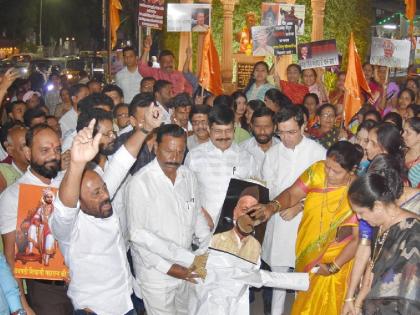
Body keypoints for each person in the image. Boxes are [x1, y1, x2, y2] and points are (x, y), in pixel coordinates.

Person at [50, 116, 151, 315]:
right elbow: (64, 208)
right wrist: (77, 165)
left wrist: (145, 129)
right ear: (79, 200)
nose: (105, 195)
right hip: (95, 310)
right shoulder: (68, 229)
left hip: (125, 302)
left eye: (103, 188)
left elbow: (121, 163)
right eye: (96, 193)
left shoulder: (101, 202)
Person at [251, 141, 364, 315]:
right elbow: (292, 194)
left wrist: (333, 267)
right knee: (304, 303)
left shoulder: (359, 192)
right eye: (327, 167)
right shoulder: (317, 171)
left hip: (339, 260)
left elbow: (358, 239)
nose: (329, 173)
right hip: (308, 250)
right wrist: (271, 207)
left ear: (352, 170)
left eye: (336, 171)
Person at [126, 124, 211, 315]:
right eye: (169, 151)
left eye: (180, 152)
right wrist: (170, 268)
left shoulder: (188, 176)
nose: (174, 157)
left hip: (188, 266)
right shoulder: (140, 183)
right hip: (156, 274)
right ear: (156, 147)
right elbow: (137, 236)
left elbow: (196, 214)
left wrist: (206, 250)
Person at [0, 124, 72, 315]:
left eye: (57, 149)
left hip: (81, 282)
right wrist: (23, 305)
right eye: (45, 150)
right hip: (46, 289)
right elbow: (10, 257)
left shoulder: (67, 182)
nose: (54, 156)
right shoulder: (13, 196)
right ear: (28, 153)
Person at [261, 106, 326, 315]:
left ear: (303, 127)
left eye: (291, 132)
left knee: (302, 278)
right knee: (278, 279)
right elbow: (268, 188)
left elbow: (324, 191)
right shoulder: (272, 153)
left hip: (306, 222)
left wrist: (299, 206)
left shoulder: (317, 152)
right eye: (280, 132)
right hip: (279, 222)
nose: (286, 138)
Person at [341, 153, 420, 315]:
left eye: (361, 212)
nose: (358, 218)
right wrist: (356, 302)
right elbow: (372, 267)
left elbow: (408, 297)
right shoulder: (380, 225)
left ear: (377, 206)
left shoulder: (412, 233)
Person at [185, 106, 257, 228]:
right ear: (208, 129)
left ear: (234, 129)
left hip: (234, 231)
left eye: (228, 130)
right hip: (201, 228)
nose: (224, 136)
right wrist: (201, 214)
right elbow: (186, 193)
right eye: (218, 131)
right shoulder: (194, 156)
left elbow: (254, 195)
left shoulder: (247, 158)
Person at [210, 186, 262, 264]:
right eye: (244, 209)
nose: (248, 216)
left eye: (253, 212)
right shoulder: (215, 240)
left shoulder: (256, 246)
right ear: (234, 212)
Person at [239, 106, 279, 175]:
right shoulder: (242, 149)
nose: (262, 131)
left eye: (267, 126)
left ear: (274, 127)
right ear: (251, 126)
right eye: (258, 126)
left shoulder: (283, 149)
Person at [0, 125, 27, 193]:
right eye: (24, 146)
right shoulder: (3, 172)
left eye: (32, 144)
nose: (30, 150)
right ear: (10, 151)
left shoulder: (42, 168)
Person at [404, 117, 420, 188]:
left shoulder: (418, 165)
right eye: (403, 131)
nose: (403, 135)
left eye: (408, 132)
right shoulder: (402, 150)